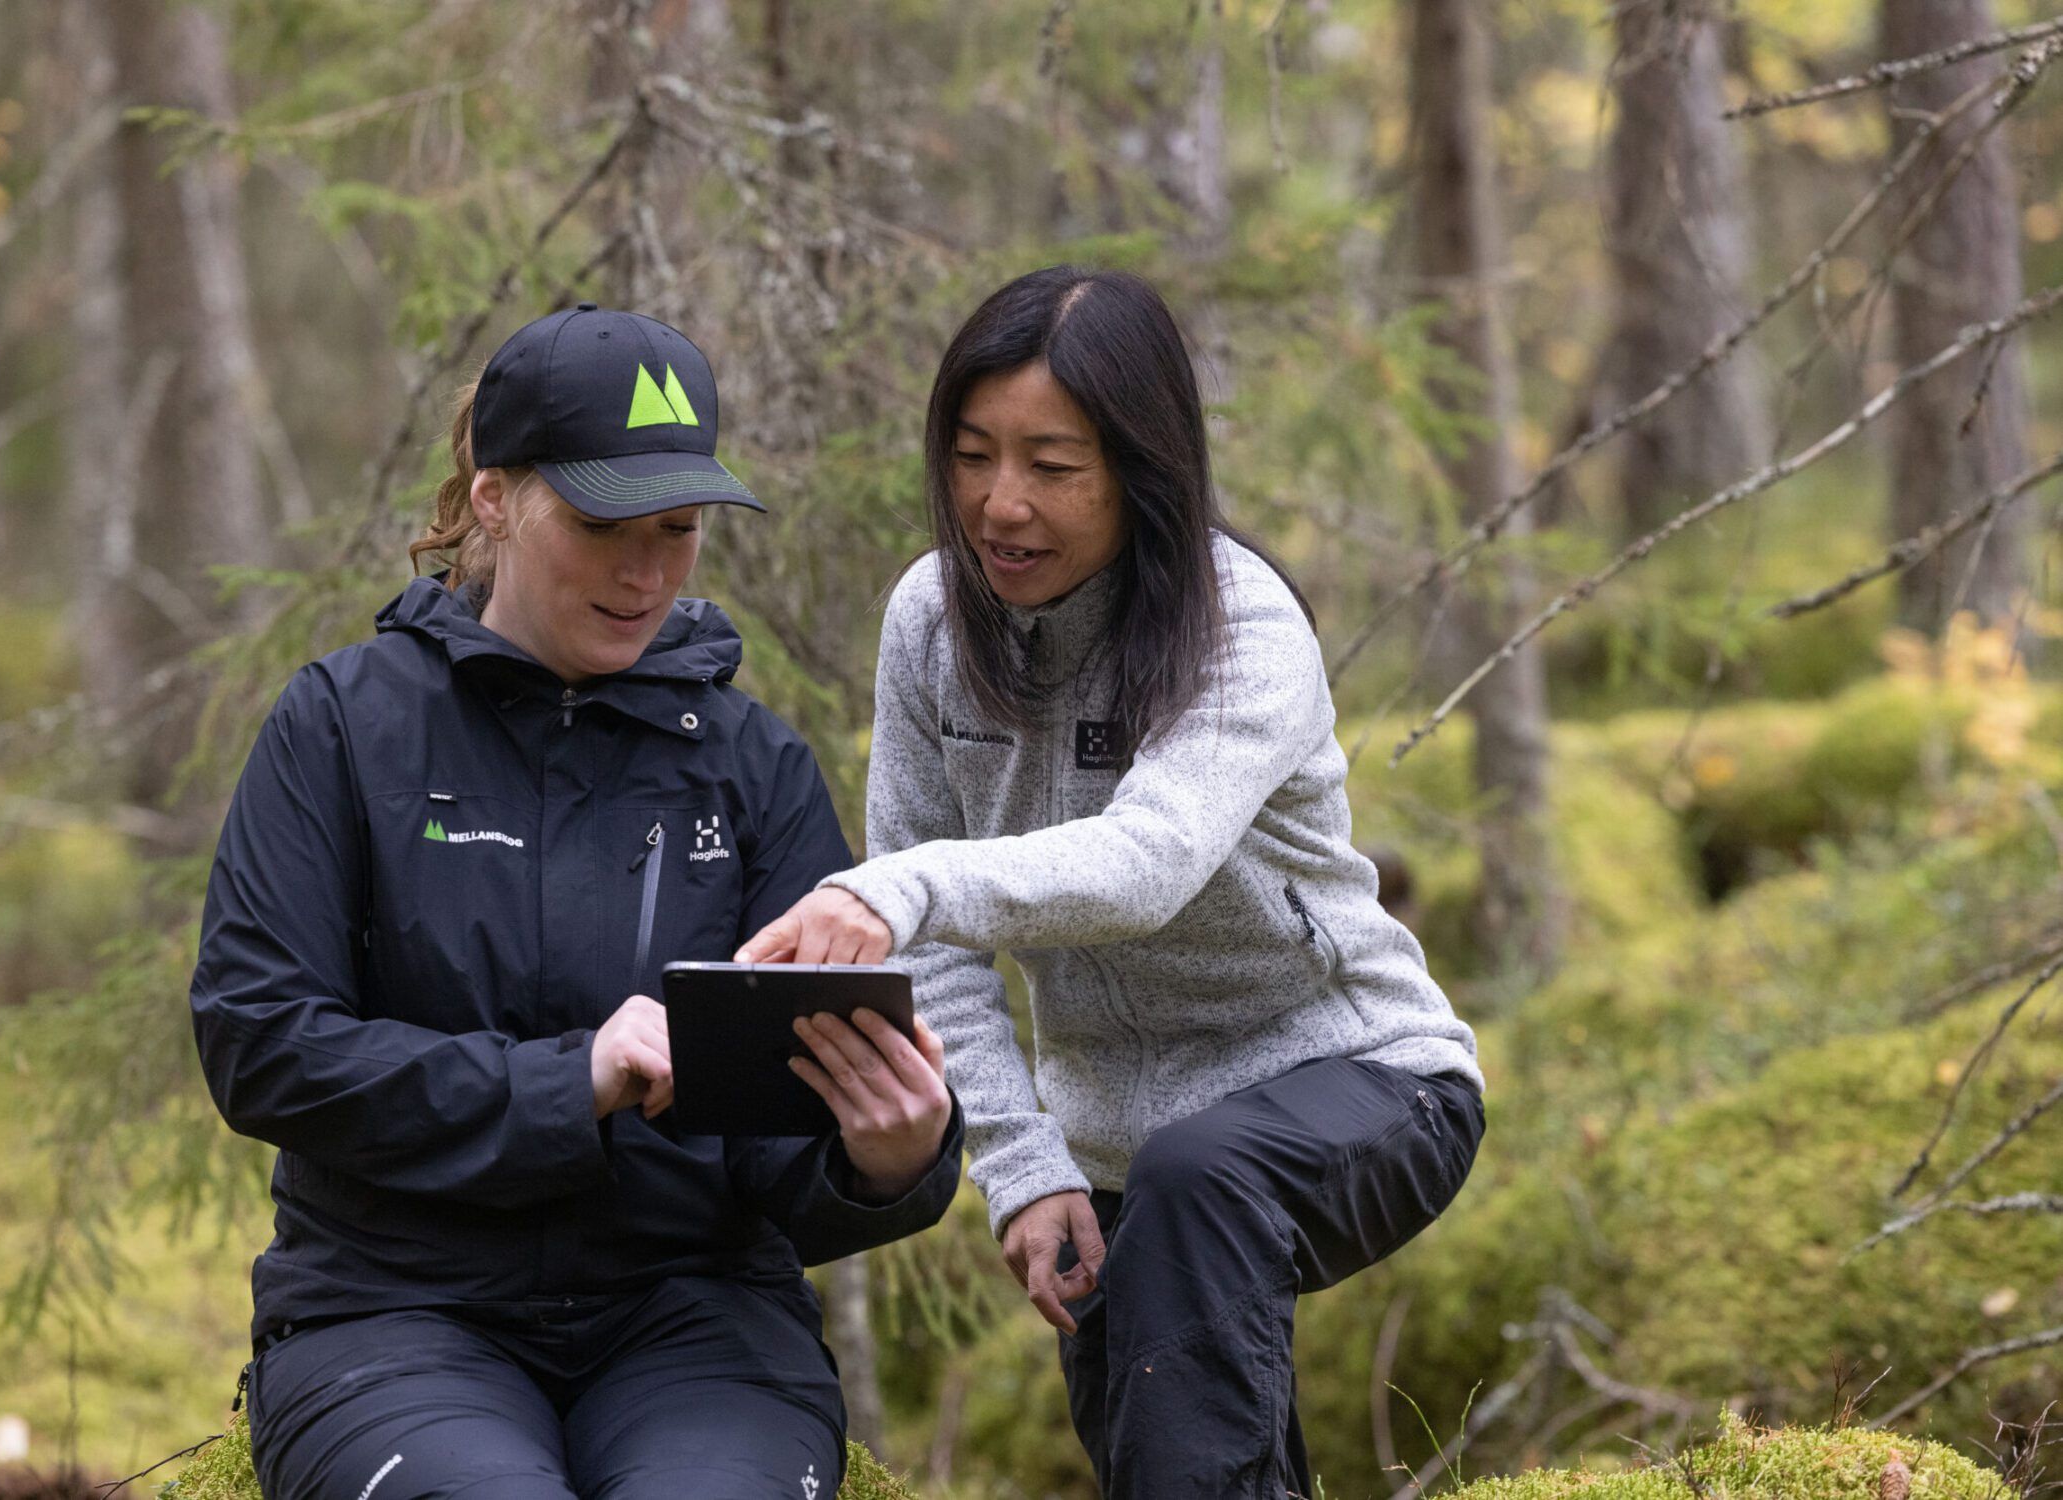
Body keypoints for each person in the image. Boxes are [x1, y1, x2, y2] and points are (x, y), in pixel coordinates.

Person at [190, 304, 961, 1500]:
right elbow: (261, 1045)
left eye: (679, 527)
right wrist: (569, 1081)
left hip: (697, 1331)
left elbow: (780, 1149)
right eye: (604, 522)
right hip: (391, 1315)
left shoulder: (750, 766)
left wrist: (886, 1159)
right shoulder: (343, 727)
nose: (646, 569)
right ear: (493, 496)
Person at [737, 267, 1485, 1499]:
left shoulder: (1240, 623)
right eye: (974, 456)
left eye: (1053, 465)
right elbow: (937, 960)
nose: (1002, 503)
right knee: (1162, 1436)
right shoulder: (931, 622)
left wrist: (904, 884)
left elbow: (1145, 867)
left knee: (1204, 1182)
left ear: (1141, 468)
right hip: (1120, 1155)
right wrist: (1027, 1170)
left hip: (1363, 1079)